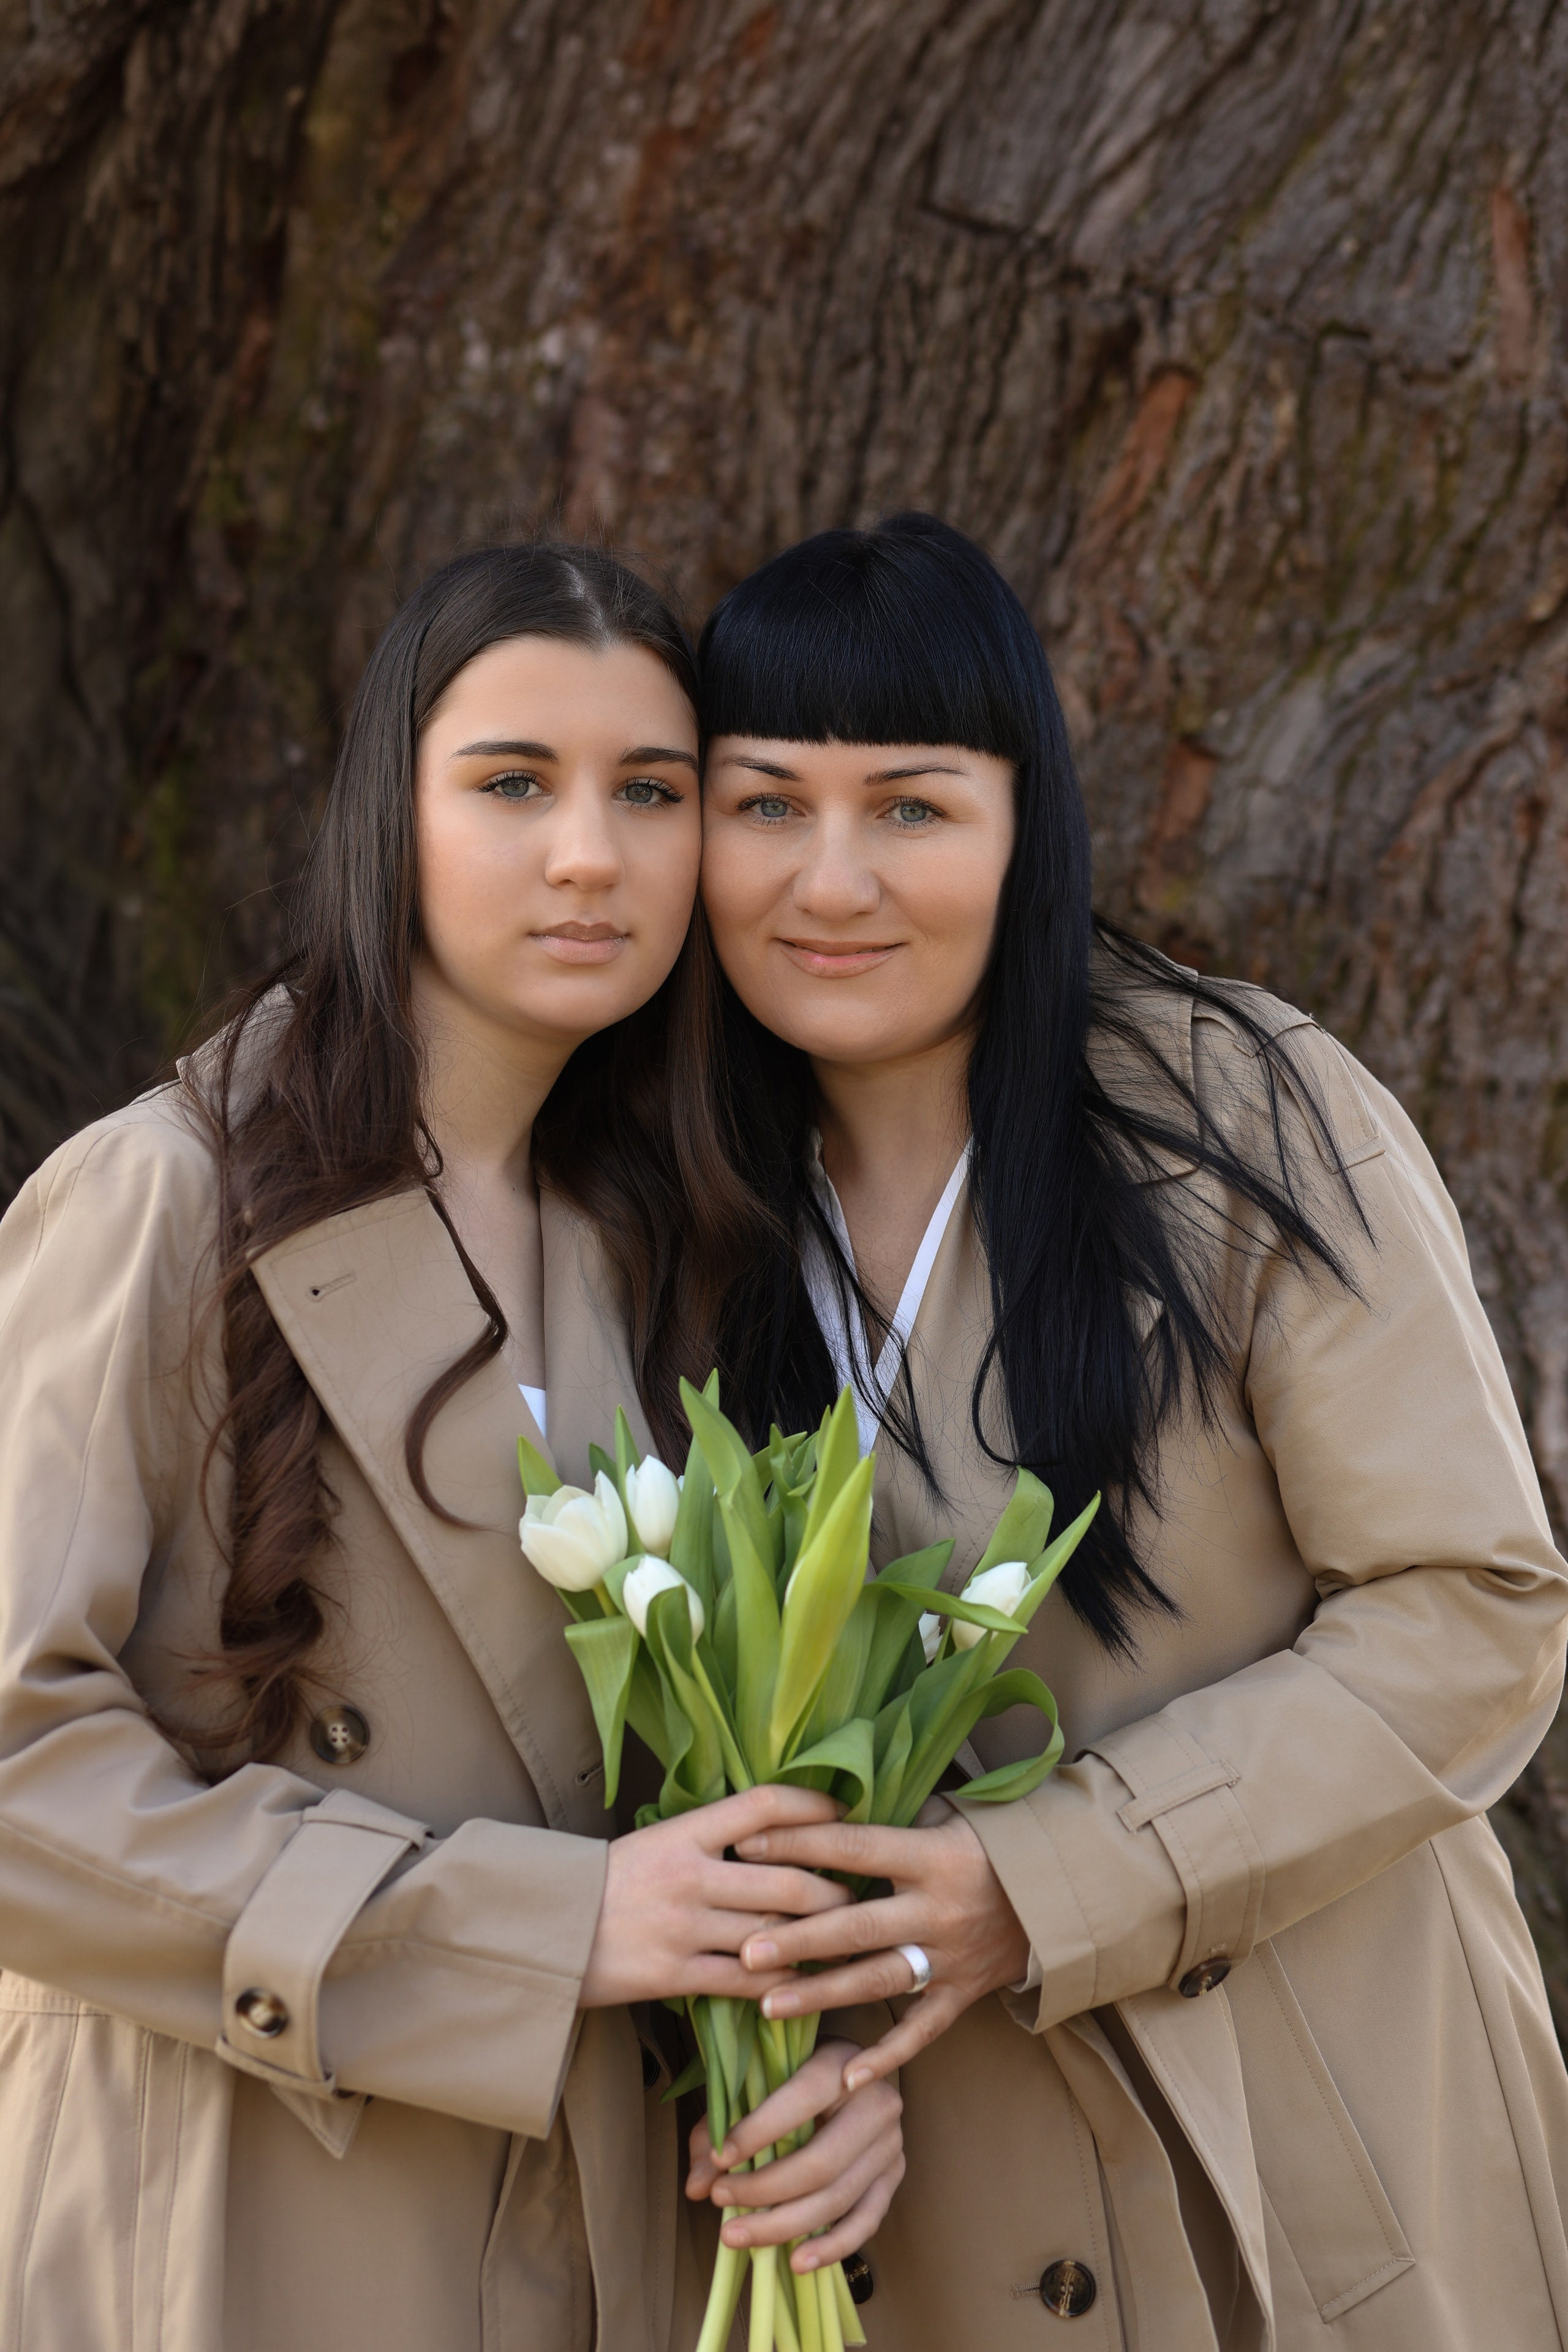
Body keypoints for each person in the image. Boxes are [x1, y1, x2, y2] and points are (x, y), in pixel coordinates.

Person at [0, 541, 900, 2352]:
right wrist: (540, 1933)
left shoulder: (665, 1249)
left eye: (652, 792)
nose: (592, 854)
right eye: (511, 784)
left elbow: (678, 1834)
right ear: (384, 819)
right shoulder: (166, 1197)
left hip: (604, 2238)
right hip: (245, 2223)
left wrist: (825, 2076)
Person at [682, 511, 1568, 2349]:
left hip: (1309, 2166)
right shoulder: (669, 1209)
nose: (828, 880)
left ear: (1025, 824)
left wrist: (1047, 1880)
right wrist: (778, 2079)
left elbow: (1472, 1612)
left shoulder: (1241, 1115)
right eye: (764, 805)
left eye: (911, 807)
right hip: (931, 2229)